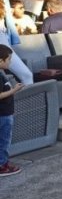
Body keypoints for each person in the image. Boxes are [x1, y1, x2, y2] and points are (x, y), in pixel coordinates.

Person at [0, 45, 23, 177]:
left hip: (5, 113)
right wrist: (14, 90)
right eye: (8, 59)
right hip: (3, 115)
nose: (10, 62)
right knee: (4, 140)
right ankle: (2, 165)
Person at [0, 0, 33, 85]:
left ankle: (28, 98)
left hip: (2, 40)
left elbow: (9, 22)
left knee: (26, 75)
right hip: (2, 41)